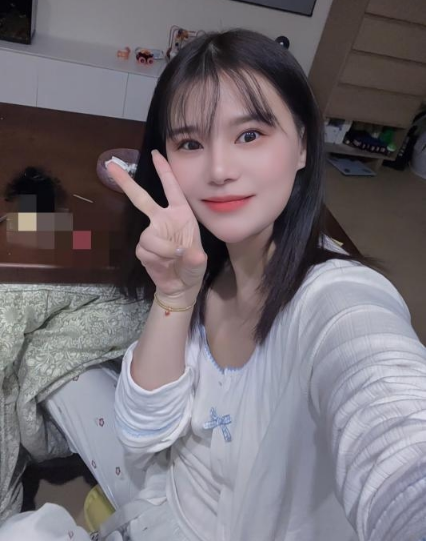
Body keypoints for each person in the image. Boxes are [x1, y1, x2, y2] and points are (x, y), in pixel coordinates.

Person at [1, 29, 425, 541]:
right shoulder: (211, 261)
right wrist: (174, 298)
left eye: (250, 135)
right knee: (47, 359)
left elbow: (398, 439)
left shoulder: (339, 300)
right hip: (164, 487)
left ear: (302, 145)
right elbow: (143, 432)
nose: (219, 169)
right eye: (190, 143)